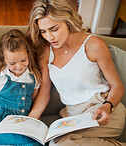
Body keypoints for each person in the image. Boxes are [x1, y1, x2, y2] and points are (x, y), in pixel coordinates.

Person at [26, 0, 126, 145]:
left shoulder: (93, 45)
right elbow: (44, 91)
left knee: (59, 143)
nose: (49, 37)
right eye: (43, 31)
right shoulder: (46, 52)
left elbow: (117, 86)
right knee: (59, 142)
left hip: (103, 108)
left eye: (54, 29)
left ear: (68, 20)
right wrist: (31, 119)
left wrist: (107, 106)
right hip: (72, 116)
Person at [0, 29, 43, 146]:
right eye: (12, 63)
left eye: (23, 60)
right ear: (3, 59)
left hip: (23, 126)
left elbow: (34, 105)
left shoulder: (34, 77)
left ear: (28, 54)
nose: (19, 67)